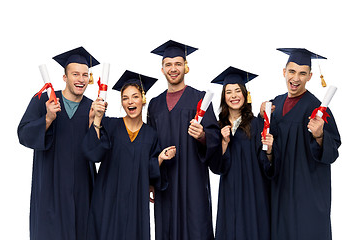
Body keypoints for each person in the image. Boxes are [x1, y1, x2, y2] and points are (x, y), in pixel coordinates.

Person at [82, 70, 176, 240]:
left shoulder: (151, 135)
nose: (130, 102)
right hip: (108, 198)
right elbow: (93, 153)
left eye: (135, 96)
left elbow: (148, 170)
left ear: (143, 99)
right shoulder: (110, 125)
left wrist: (160, 158)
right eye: (125, 98)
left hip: (135, 201)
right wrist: (96, 119)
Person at [17, 46, 99, 240]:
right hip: (50, 189)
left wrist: (93, 124)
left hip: (82, 191)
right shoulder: (44, 101)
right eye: (75, 74)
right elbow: (23, 134)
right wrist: (47, 119)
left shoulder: (92, 107)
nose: (80, 79)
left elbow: (100, 150)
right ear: (65, 77)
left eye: (85, 75)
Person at [260, 48, 341, 240]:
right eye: (292, 71)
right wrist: (262, 117)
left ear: (310, 76)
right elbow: (265, 147)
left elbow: (333, 150)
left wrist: (320, 135)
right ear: (284, 72)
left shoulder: (317, 108)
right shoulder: (275, 105)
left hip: (307, 193)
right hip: (280, 191)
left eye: (302, 73)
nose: (296, 78)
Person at [148, 40, 221, 240]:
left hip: (193, 180)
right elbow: (150, 146)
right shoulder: (154, 105)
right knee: (167, 229)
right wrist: (151, 181)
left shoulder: (200, 99)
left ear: (186, 67)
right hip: (165, 182)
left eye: (178, 64)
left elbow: (214, 137)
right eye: (169, 64)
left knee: (195, 227)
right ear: (162, 69)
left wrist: (203, 136)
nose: (173, 69)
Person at [210, 66, 273, 240]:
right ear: (224, 97)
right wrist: (224, 142)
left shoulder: (257, 124)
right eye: (229, 92)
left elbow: (266, 163)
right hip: (229, 190)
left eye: (238, 90)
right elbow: (216, 167)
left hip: (254, 190)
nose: (234, 96)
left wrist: (270, 149)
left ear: (245, 95)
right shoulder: (217, 126)